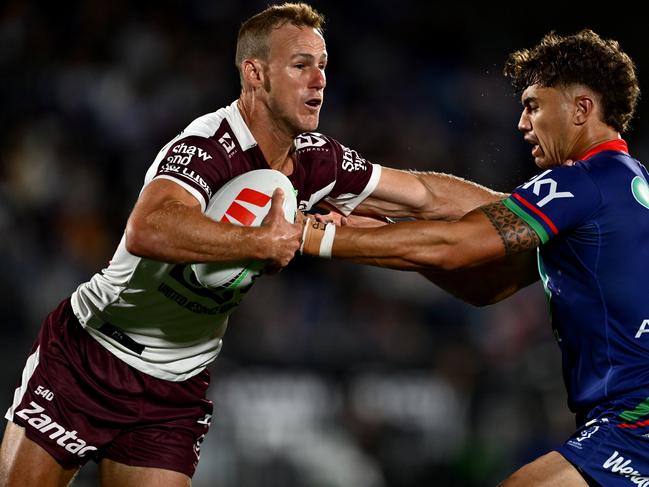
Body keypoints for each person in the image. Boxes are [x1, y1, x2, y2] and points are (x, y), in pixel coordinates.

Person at [0, 3, 504, 486]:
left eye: (323, 65)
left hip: (176, 383)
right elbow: (148, 228)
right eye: (301, 65)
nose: (320, 80)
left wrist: (531, 208)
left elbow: (423, 196)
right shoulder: (207, 145)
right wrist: (258, 240)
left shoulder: (317, 160)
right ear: (255, 75)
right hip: (91, 355)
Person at [302, 29, 647, 486]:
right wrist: (380, 231)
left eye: (533, 106)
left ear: (581, 109)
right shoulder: (619, 184)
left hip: (633, 423)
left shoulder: (583, 181)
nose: (523, 125)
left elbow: (458, 242)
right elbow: (487, 286)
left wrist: (313, 238)